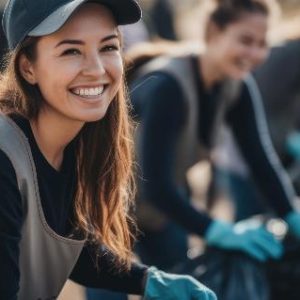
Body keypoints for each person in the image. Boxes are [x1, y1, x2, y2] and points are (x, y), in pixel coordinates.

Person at [0, 0, 217, 299]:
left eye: (108, 47)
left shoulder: (70, 140)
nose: (97, 69)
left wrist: (146, 279)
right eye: (71, 51)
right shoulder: (4, 156)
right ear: (28, 67)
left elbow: (70, 242)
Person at [129, 0, 300, 271]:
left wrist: (291, 215)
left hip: (160, 213)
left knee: (179, 284)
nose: (255, 53)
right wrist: (219, 231)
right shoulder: (168, 87)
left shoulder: (237, 86)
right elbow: (155, 183)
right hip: (109, 208)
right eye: (245, 40)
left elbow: (260, 160)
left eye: (262, 43)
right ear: (213, 31)